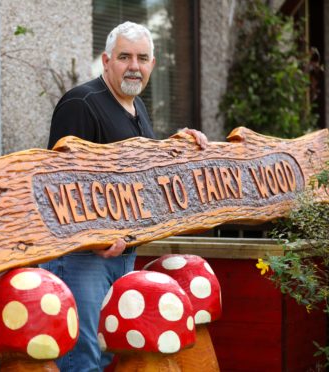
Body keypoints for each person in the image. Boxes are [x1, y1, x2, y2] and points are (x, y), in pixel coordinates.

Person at [41, 22, 206, 371]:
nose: (134, 65)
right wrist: (92, 238)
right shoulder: (81, 104)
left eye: (142, 58)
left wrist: (179, 146)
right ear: (106, 60)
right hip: (82, 259)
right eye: (125, 57)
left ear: (153, 65)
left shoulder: (137, 108)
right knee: (81, 358)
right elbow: (60, 184)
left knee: (105, 353)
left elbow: (139, 173)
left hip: (123, 256)